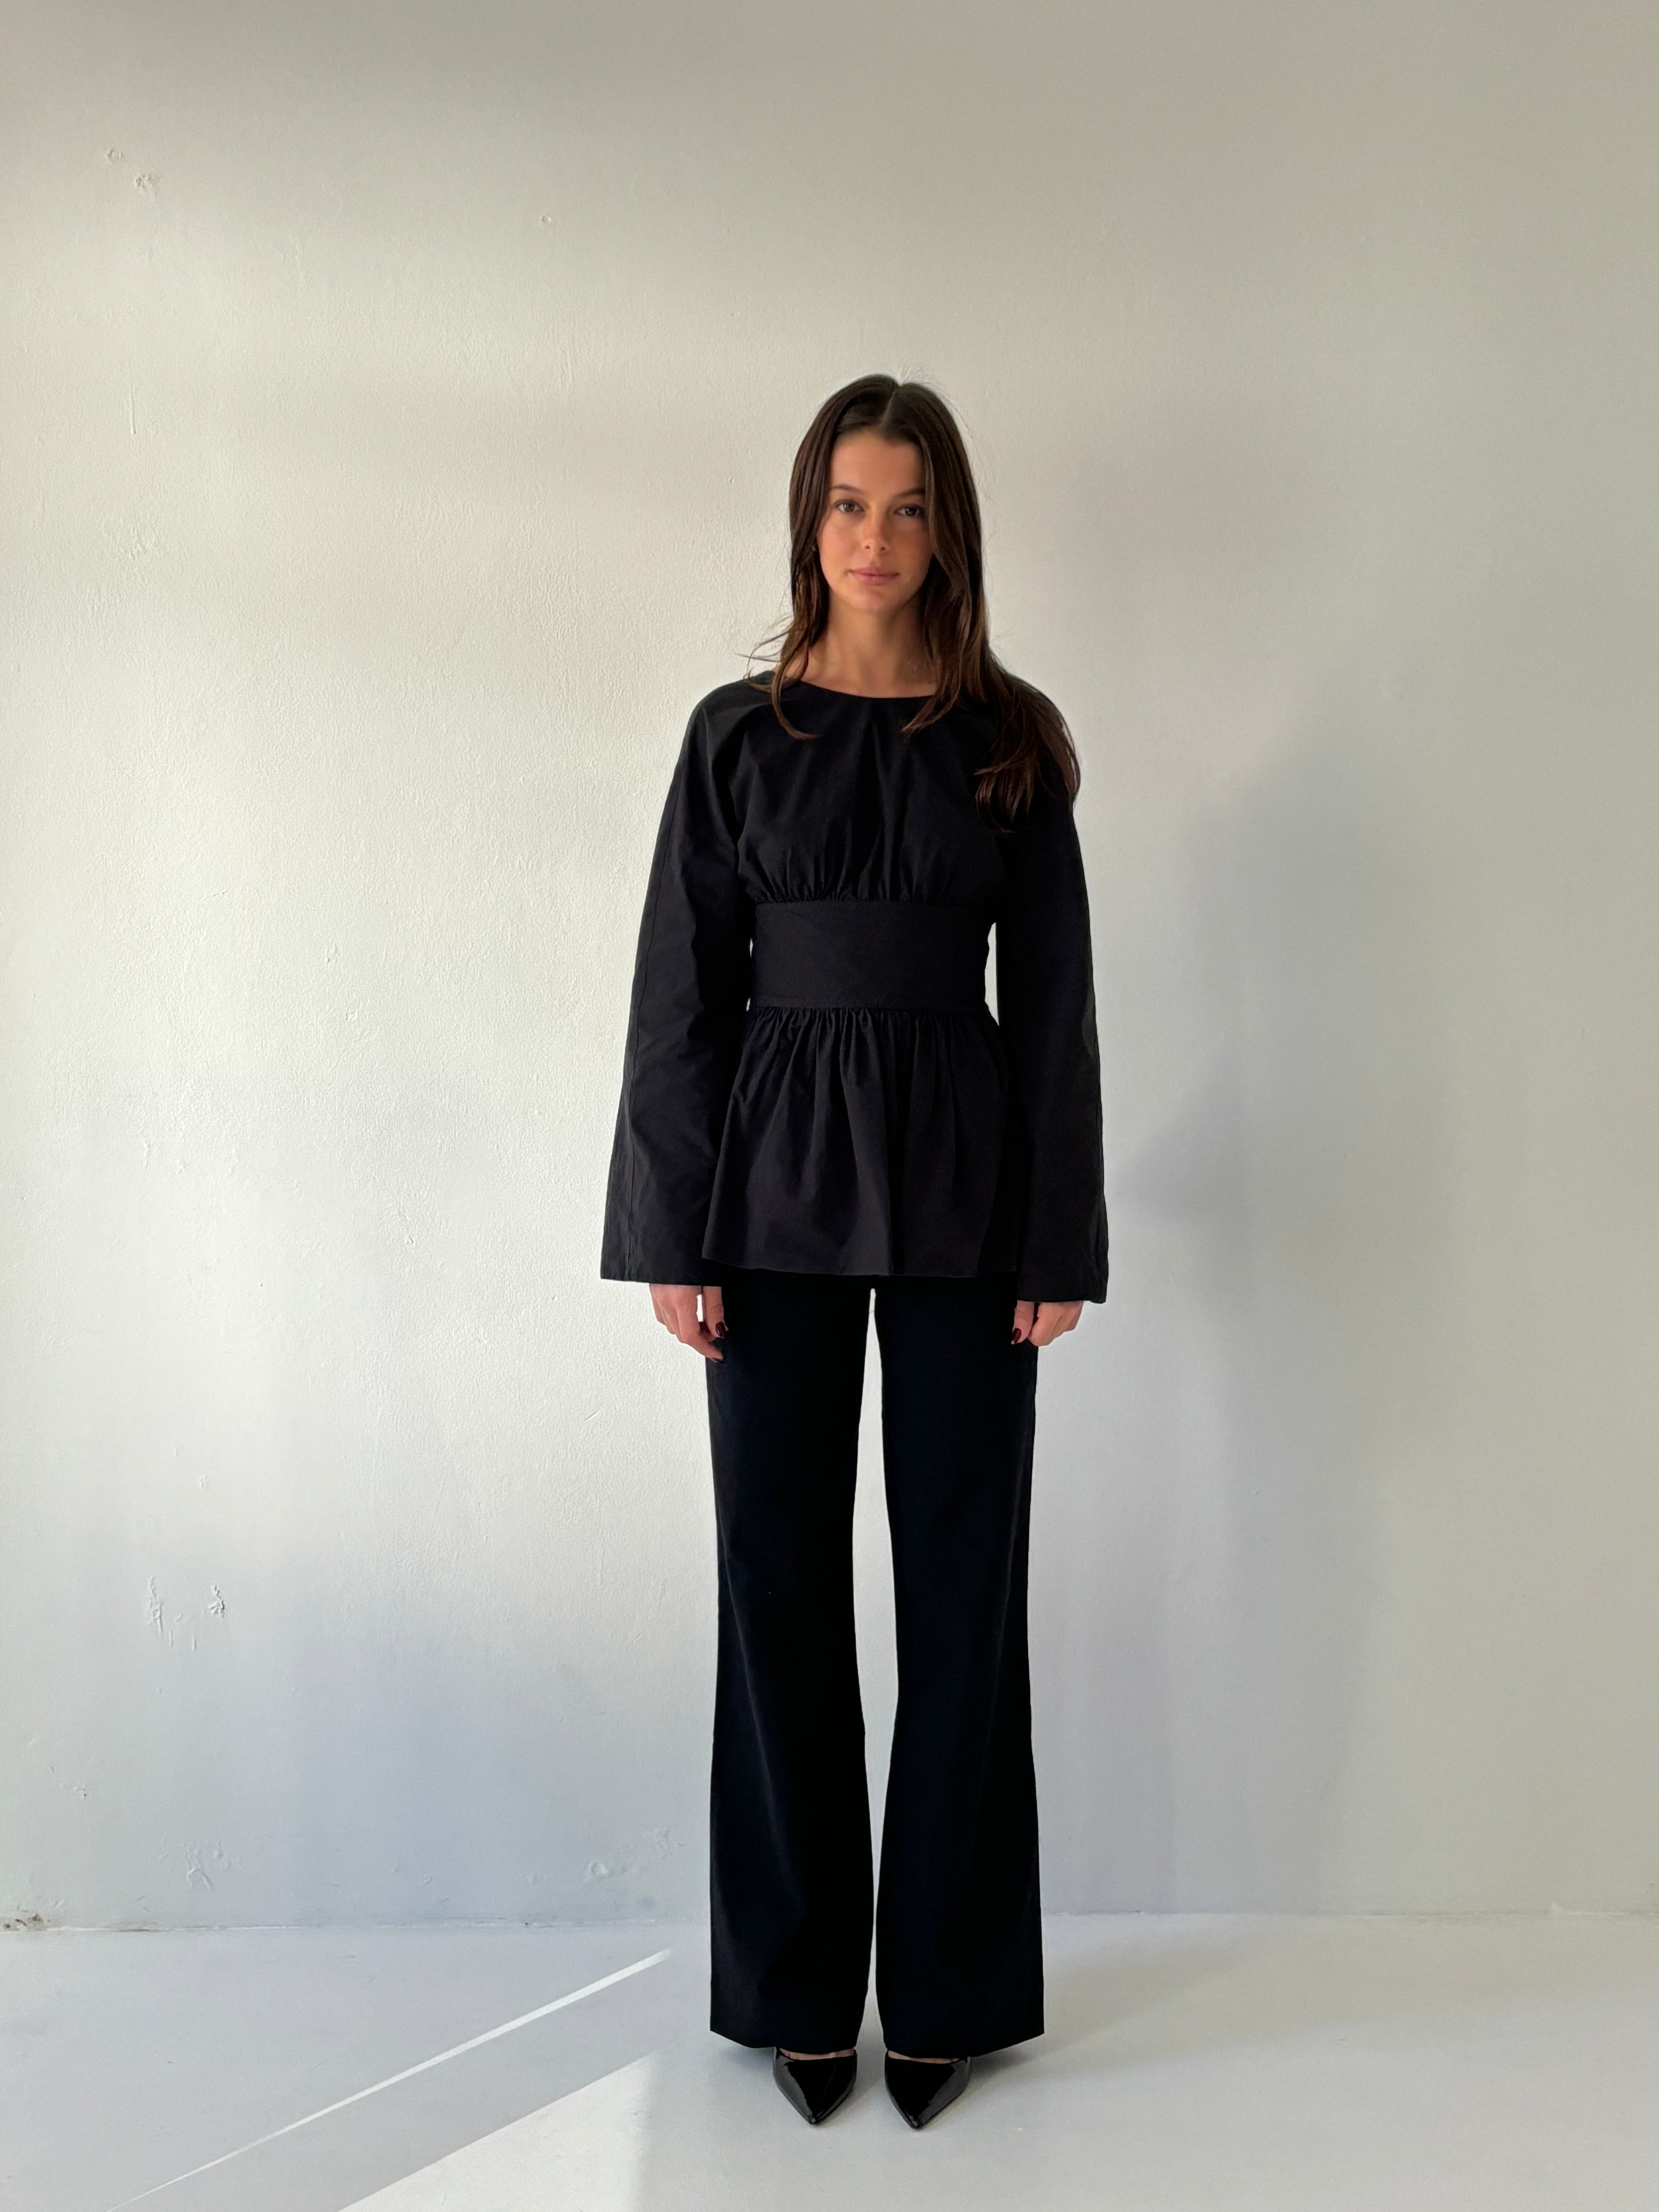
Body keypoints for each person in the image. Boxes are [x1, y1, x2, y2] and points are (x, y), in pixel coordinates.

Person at [599, 373, 1108, 2130]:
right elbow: (679, 993)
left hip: (970, 1192)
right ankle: (800, 1985)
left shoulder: (1012, 739)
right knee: (777, 1584)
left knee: (966, 1588)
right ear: (807, 521)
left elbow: (1055, 1006)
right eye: (846, 504)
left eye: (906, 508)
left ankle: (948, 1986)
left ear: (947, 529)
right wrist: (672, 1231)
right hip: (769, 1189)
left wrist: (1057, 1239)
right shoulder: (735, 739)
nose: (874, 539)